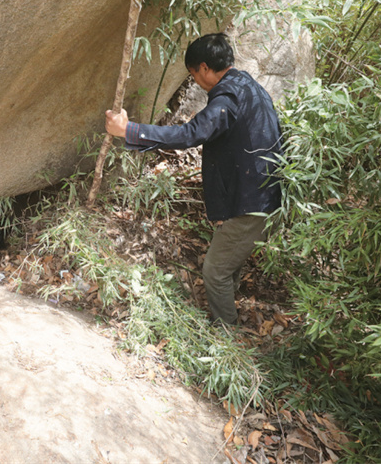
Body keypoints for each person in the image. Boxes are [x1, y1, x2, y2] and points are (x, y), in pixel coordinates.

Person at [104, 33, 282, 325]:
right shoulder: (250, 87)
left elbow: (191, 133)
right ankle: (226, 323)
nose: (197, 81)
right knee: (227, 265)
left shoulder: (228, 96)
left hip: (252, 201)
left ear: (203, 68)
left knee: (215, 270)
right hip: (259, 196)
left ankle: (227, 336)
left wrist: (130, 131)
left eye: (194, 75)